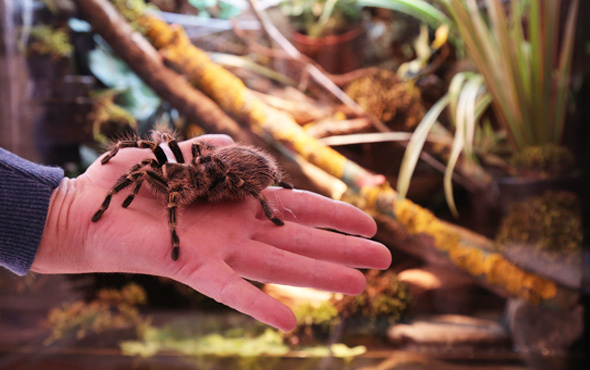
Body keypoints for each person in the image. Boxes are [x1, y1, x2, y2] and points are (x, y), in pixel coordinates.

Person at [0, 134, 391, 332]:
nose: (163, 176)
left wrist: (176, 238)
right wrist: (69, 210)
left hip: (235, 173)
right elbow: (143, 157)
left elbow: (246, 180)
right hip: (219, 170)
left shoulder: (201, 179)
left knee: (199, 182)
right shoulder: (166, 169)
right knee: (141, 170)